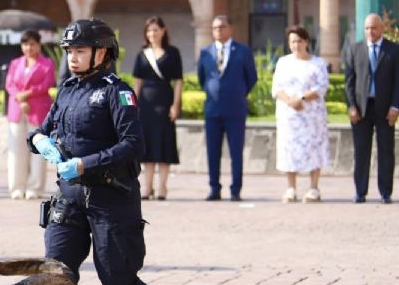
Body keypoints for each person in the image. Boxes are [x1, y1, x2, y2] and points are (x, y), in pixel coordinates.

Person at [26, 18, 199, 285]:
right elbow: (44, 128)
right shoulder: (68, 90)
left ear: (101, 53)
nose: (72, 58)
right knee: (54, 278)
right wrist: (38, 140)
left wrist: (88, 162)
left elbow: (133, 145)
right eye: (69, 52)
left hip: (110, 199)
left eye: (80, 51)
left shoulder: (117, 92)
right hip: (69, 200)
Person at [197, 15, 258, 201]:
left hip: (235, 109)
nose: (218, 31)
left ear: (230, 29)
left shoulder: (242, 51)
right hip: (212, 110)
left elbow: (251, 78)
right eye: (215, 28)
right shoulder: (205, 52)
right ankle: (214, 188)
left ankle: (235, 189)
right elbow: (202, 79)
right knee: (212, 152)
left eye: (222, 27)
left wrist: (237, 93)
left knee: (236, 152)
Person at [342, 13, 399, 204]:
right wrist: (351, 106)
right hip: (361, 109)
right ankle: (360, 192)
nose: (370, 31)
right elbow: (349, 82)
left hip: (385, 110)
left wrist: (395, 107)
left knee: (385, 151)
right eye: (367, 28)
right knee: (361, 152)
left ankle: (385, 192)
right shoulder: (355, 49)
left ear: (382, 28)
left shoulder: (394, 50)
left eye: (374, 27)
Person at [271, 26, 330, 203]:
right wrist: (290, 101)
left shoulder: (318, 63)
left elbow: (322, 87)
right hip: (290, 116)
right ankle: (291, 188)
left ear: (306, 42)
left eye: (299, 41)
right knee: (290, 150)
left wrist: (302, 98)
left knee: (314, 149)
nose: (296, 45)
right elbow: (276, 89)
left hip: (312, 116)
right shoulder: (283, 62)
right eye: (293, 42)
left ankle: (313, 188)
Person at [132, 16, 183, 200]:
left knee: (164, 145)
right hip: (146, 105)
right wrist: (133, 106)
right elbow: (137, 82)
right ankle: (148, 187)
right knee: (148, 147)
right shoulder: (142, 53)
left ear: (163, 30)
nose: (152, 33)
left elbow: (178, 81)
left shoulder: (173, 53)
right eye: (149, 30)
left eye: (155, 29)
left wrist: (175, 105)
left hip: (165, 101)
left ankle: (162, 187)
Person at [4, 29, 55, 200]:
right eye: (25, 44)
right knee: (16, 151)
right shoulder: (15, 63)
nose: (28, 47)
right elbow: (9, 84)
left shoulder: (47, 63)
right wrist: (20, 97)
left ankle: (35, 188)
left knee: (38, 150)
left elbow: (47, 83)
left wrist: (27, 94)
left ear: (39, 45)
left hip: (38, 110)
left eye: (32, 44)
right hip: (17, 110)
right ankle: (17, 187)